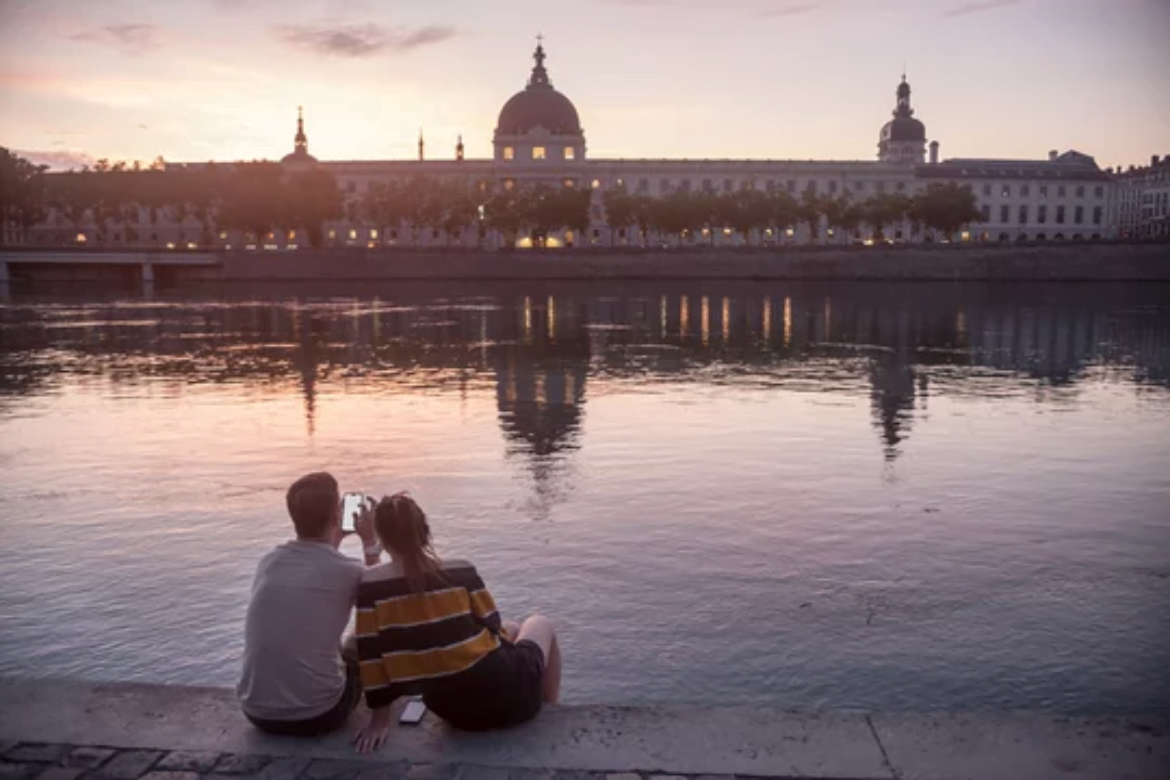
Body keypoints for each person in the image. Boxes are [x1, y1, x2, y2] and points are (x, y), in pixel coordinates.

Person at [352, 492, 562, 753]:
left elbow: (371, 657)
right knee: (539, 622)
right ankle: (551, 712)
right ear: (424, 531)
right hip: (515, 701)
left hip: (453, 712)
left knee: (513, 629)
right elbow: (493, 625)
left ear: (383, 539)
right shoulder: (460, 571)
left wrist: (379, 721)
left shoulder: (370, 587)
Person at [237, 472, 383, 736]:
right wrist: (370, 542)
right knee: (361, 637)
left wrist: (334, 536)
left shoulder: (270, 562)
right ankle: (384, 715)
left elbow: (317, 567)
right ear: (335, 516)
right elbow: (383, 600)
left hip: (256, 712)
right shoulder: (349, 571)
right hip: (320, 713)